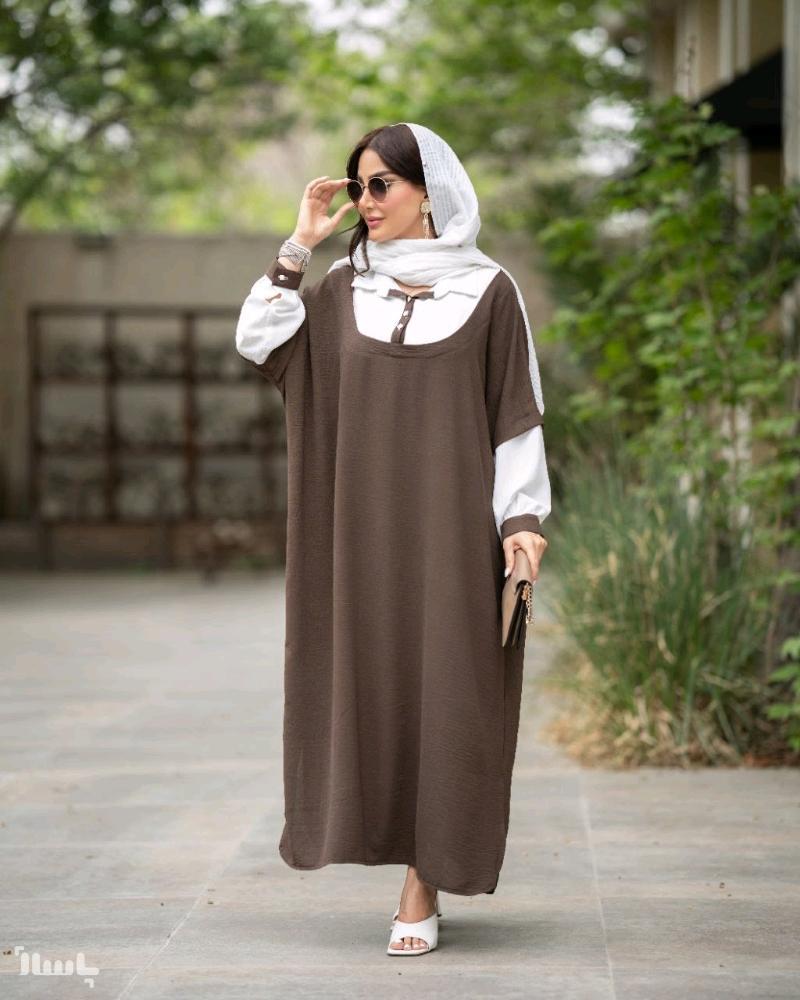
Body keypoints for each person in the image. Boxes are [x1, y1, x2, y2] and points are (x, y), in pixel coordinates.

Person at [235, 122, 551, 956]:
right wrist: (299, 247)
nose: (367, 201)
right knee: (373, 691)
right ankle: (389, 847)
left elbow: (516, 417)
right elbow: (259, 341)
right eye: (359, 185)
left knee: (451, 698)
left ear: (428, 191)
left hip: (453, 536)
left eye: (382, 185)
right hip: (358, 539)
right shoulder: (343, 290)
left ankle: (424, 880)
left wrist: (523, 522)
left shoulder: (490, 291)